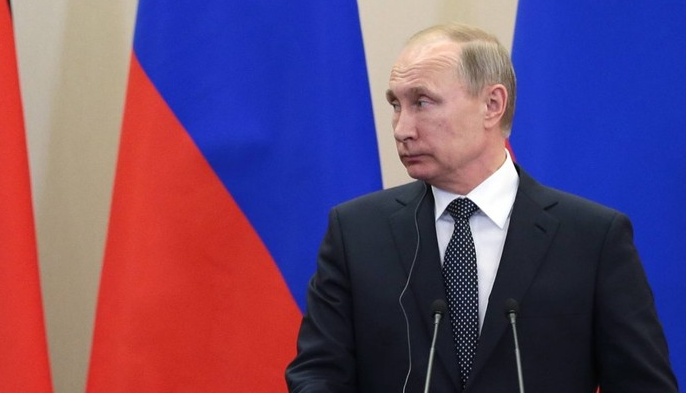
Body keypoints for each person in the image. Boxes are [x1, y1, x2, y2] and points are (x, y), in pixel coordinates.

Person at [286, 24, 677, 392]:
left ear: (492, 104)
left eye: (422, 102)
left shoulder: (593, 239)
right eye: (396, 105)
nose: (402, 128)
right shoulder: (356, 233)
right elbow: (317, 374)